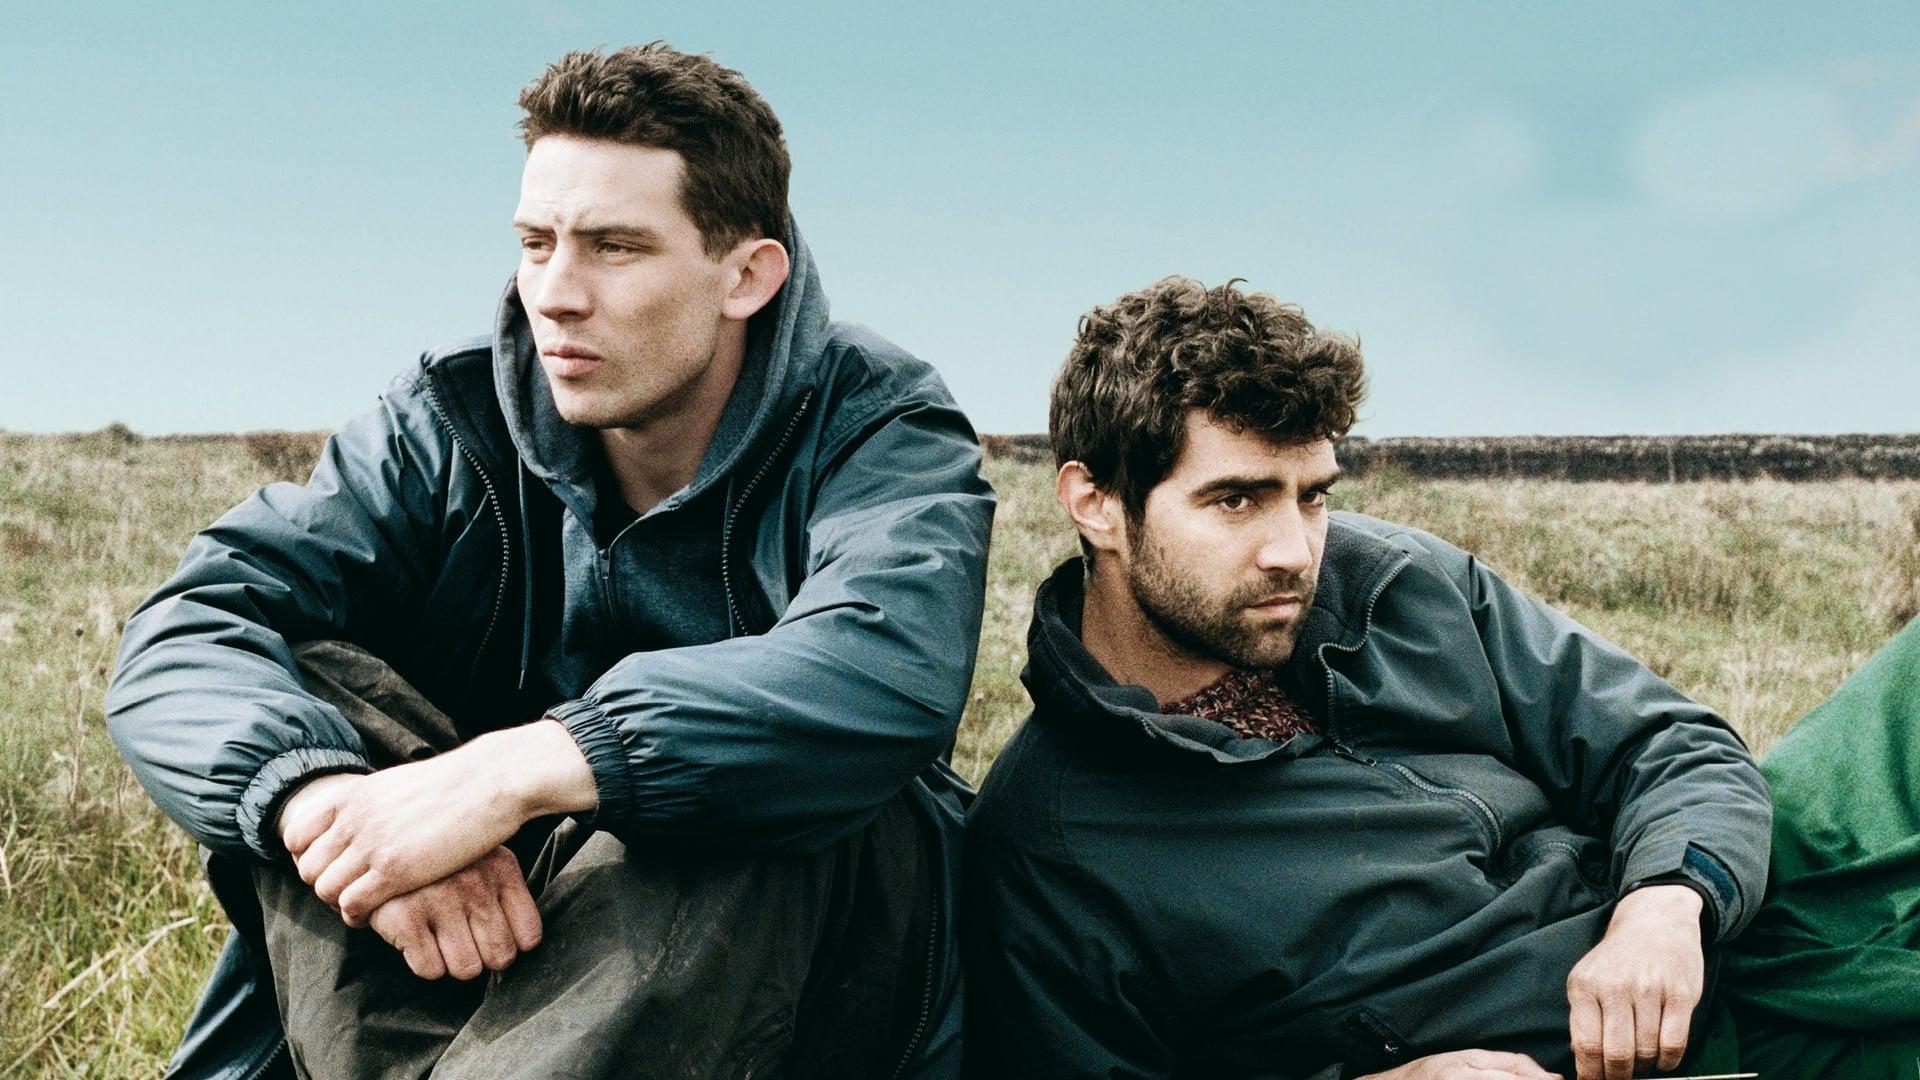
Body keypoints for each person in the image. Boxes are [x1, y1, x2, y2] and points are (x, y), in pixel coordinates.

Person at [107, 43, 992, 1080]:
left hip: (792, 969)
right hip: (467, 940)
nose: (555, 295)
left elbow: (885, 667)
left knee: (754, 777)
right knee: (303, 695)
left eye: (615, 248)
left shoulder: (875, 424)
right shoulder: (448, 422)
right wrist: (333, 808)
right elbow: (192, 623)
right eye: (536, 244)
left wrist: (520, 772)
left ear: (747, 276)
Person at [962, 276, 1920, 1079]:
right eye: (1236, 500)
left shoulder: (1391, 579)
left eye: (1312, 496)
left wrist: (1667, 902)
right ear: (1095, 501)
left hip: (1727, 908)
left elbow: (1671, 744)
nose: (1294, 551)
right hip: (1658, 1059)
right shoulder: (1050, 846)